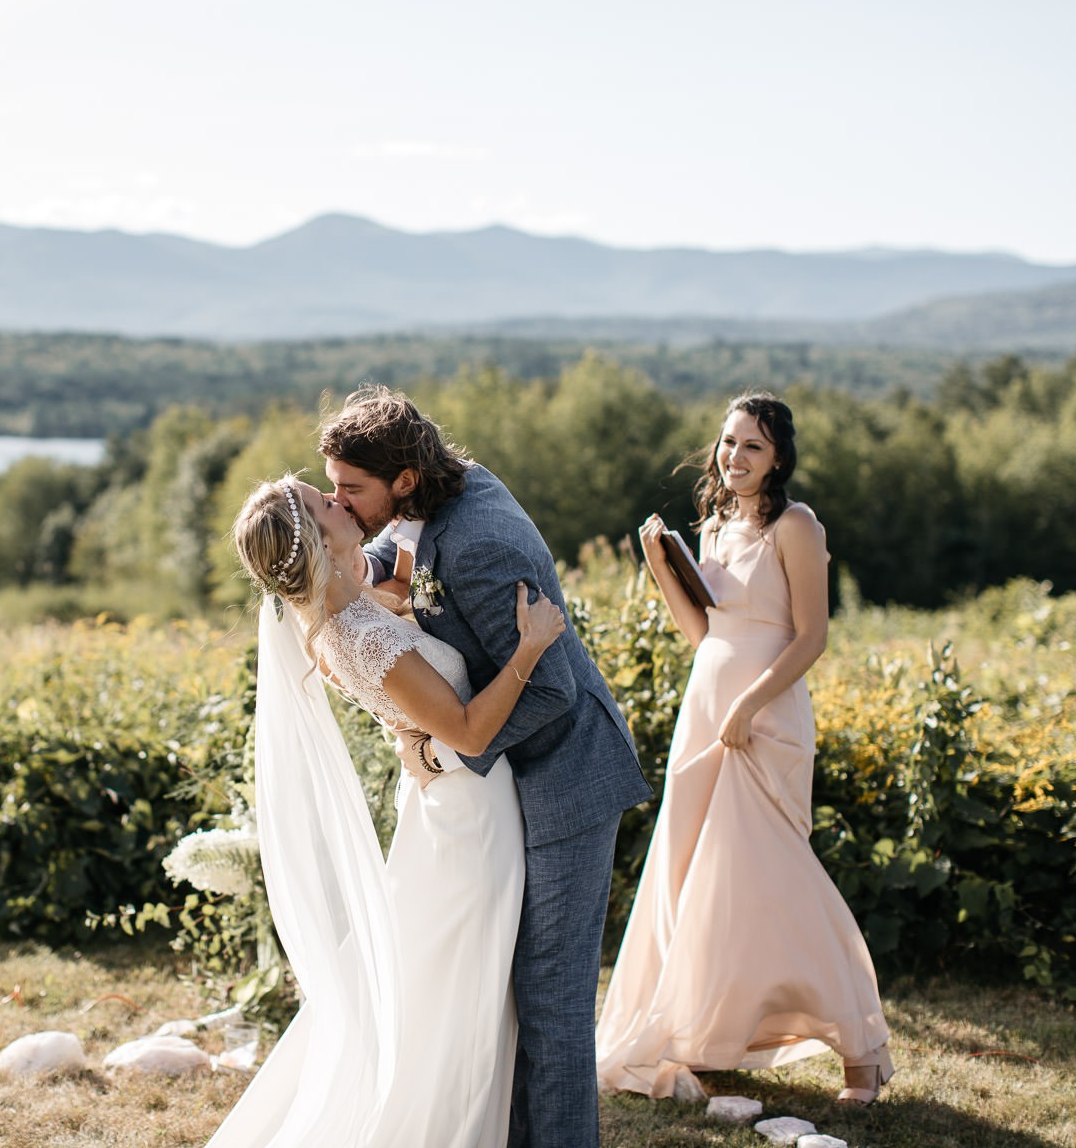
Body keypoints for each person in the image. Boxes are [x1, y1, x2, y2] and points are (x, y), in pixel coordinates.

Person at [324, 387, 655, 1148]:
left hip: (565, 776)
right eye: (331, 488)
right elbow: (392, 549)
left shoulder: (480, 544)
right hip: (506, 788)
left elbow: (550, 689)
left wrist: (442, 749)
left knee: (550, 999)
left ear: (405, 478)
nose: (340, 501)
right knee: (505, 990)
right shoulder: (434, 497)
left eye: (351, 489)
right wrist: (349, 559)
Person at [212, 474, 565, 1148]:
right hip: (470, 816)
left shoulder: (343, 613)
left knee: (445, 975)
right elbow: (468, 733)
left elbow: (399, 614)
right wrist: (530, 647)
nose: (338, 499)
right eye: (323, 503)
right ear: (318, 542)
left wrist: (402, 548)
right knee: (465, 983)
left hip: (449, 804)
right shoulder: (355, 635)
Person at [595, 392, 893, 1105]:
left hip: (764, 716)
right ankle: (702, 1036)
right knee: (699, 875)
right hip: (706, 706)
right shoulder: (715, 524)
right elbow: (704, 634)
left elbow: (811, 637)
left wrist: (748, 705)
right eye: (729, 442)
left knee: (774, 875)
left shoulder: (797, 525)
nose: (735, 456)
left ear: (778, 458)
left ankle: (863, 1051)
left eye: (752, 445)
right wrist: (660, 564)